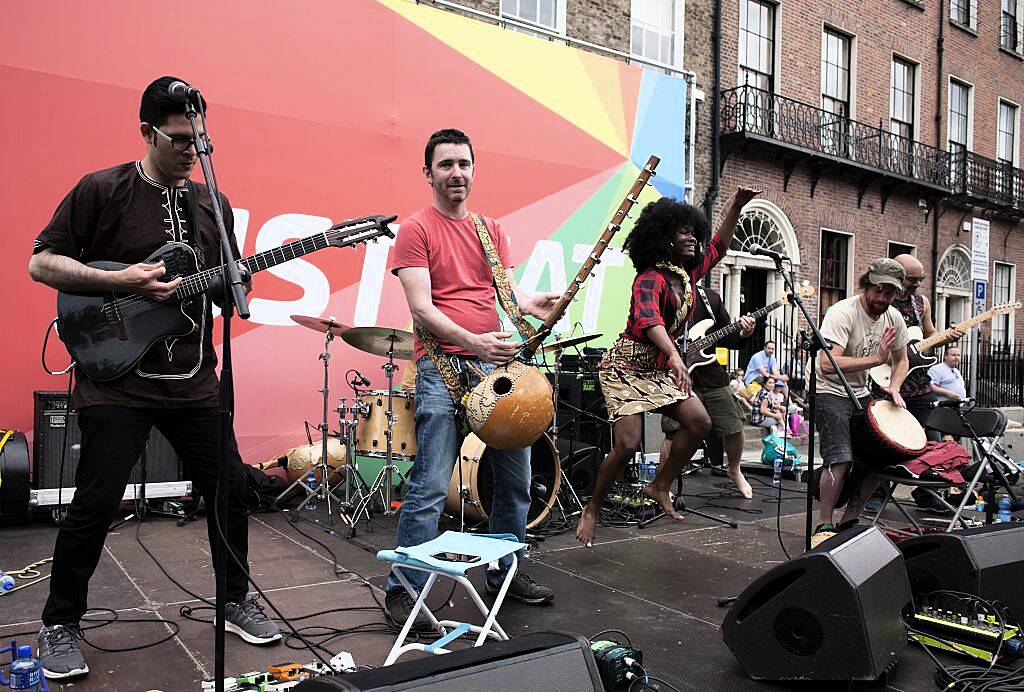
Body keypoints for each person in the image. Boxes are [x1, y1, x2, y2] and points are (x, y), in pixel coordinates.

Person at [27, 77, 279, 680]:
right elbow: (42, 261)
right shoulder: (102, 189)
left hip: (193, 378)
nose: (191, 150)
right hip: (117, 379)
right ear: (147, 133)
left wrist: (237, 280)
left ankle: (234, 599)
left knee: (230, 491)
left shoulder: (211, 204)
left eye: (199, 140)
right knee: (93, 502)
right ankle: (59, 623)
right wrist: (124, 283)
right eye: (178, 140)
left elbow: (231, 287)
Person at [387, 128, 560, 628]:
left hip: (494, 369)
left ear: (473, 169)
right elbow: (421, 308)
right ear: (429, 173)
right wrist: (475, 340)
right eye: (446, 165)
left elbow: (507, 295)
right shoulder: (416, 230)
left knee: (516, 482)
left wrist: (531, 304)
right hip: (442, 364)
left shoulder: (492, 230)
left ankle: (507, 571)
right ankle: (404, 590)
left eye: (464, 163)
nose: (456, 173)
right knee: (431, 484)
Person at [575, 186, 761, 547]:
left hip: (660, 367)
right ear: (663, 237)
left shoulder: (687, 275)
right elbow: (649, 322)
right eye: (682, 232)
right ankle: (593, 507)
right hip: (626, 368)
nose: (692, 237)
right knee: (627, 445)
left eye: (693, 230)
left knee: (701, 422)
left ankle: (659, 485)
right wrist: (675, 354)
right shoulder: (648, 278)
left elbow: (720, 245)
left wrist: (737, 205)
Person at [811, 258, 910, 548]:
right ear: (866, 284)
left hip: (859, 391)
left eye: (889, 293)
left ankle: (850, 518)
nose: (882, 298)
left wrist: (894, 386)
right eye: (877, 290)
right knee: (840, 458)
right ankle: (824, 524)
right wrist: (877, 359)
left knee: (885, 453)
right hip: (828, 389)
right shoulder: (843, 312)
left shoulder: (894, 318)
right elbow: (827, 364)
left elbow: (902, 359)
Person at [660, 287, 756, 498]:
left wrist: (744, 332)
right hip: (677, 374)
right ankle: (662, 483)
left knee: (734, 425)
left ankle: (734, 470)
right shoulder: (663, 291)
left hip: (711, 375)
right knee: (673, 431)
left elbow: (728, 338)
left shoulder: (709, 297)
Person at [888, 255, 964, 440]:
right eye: (912, 280)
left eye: (920, 279)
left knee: (933, 441)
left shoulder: (921, 303)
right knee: (896, 441)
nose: (917, 284)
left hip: (920, 386)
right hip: (889, 384)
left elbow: (930, 334)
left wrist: (945, 337)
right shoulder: (884, 301)